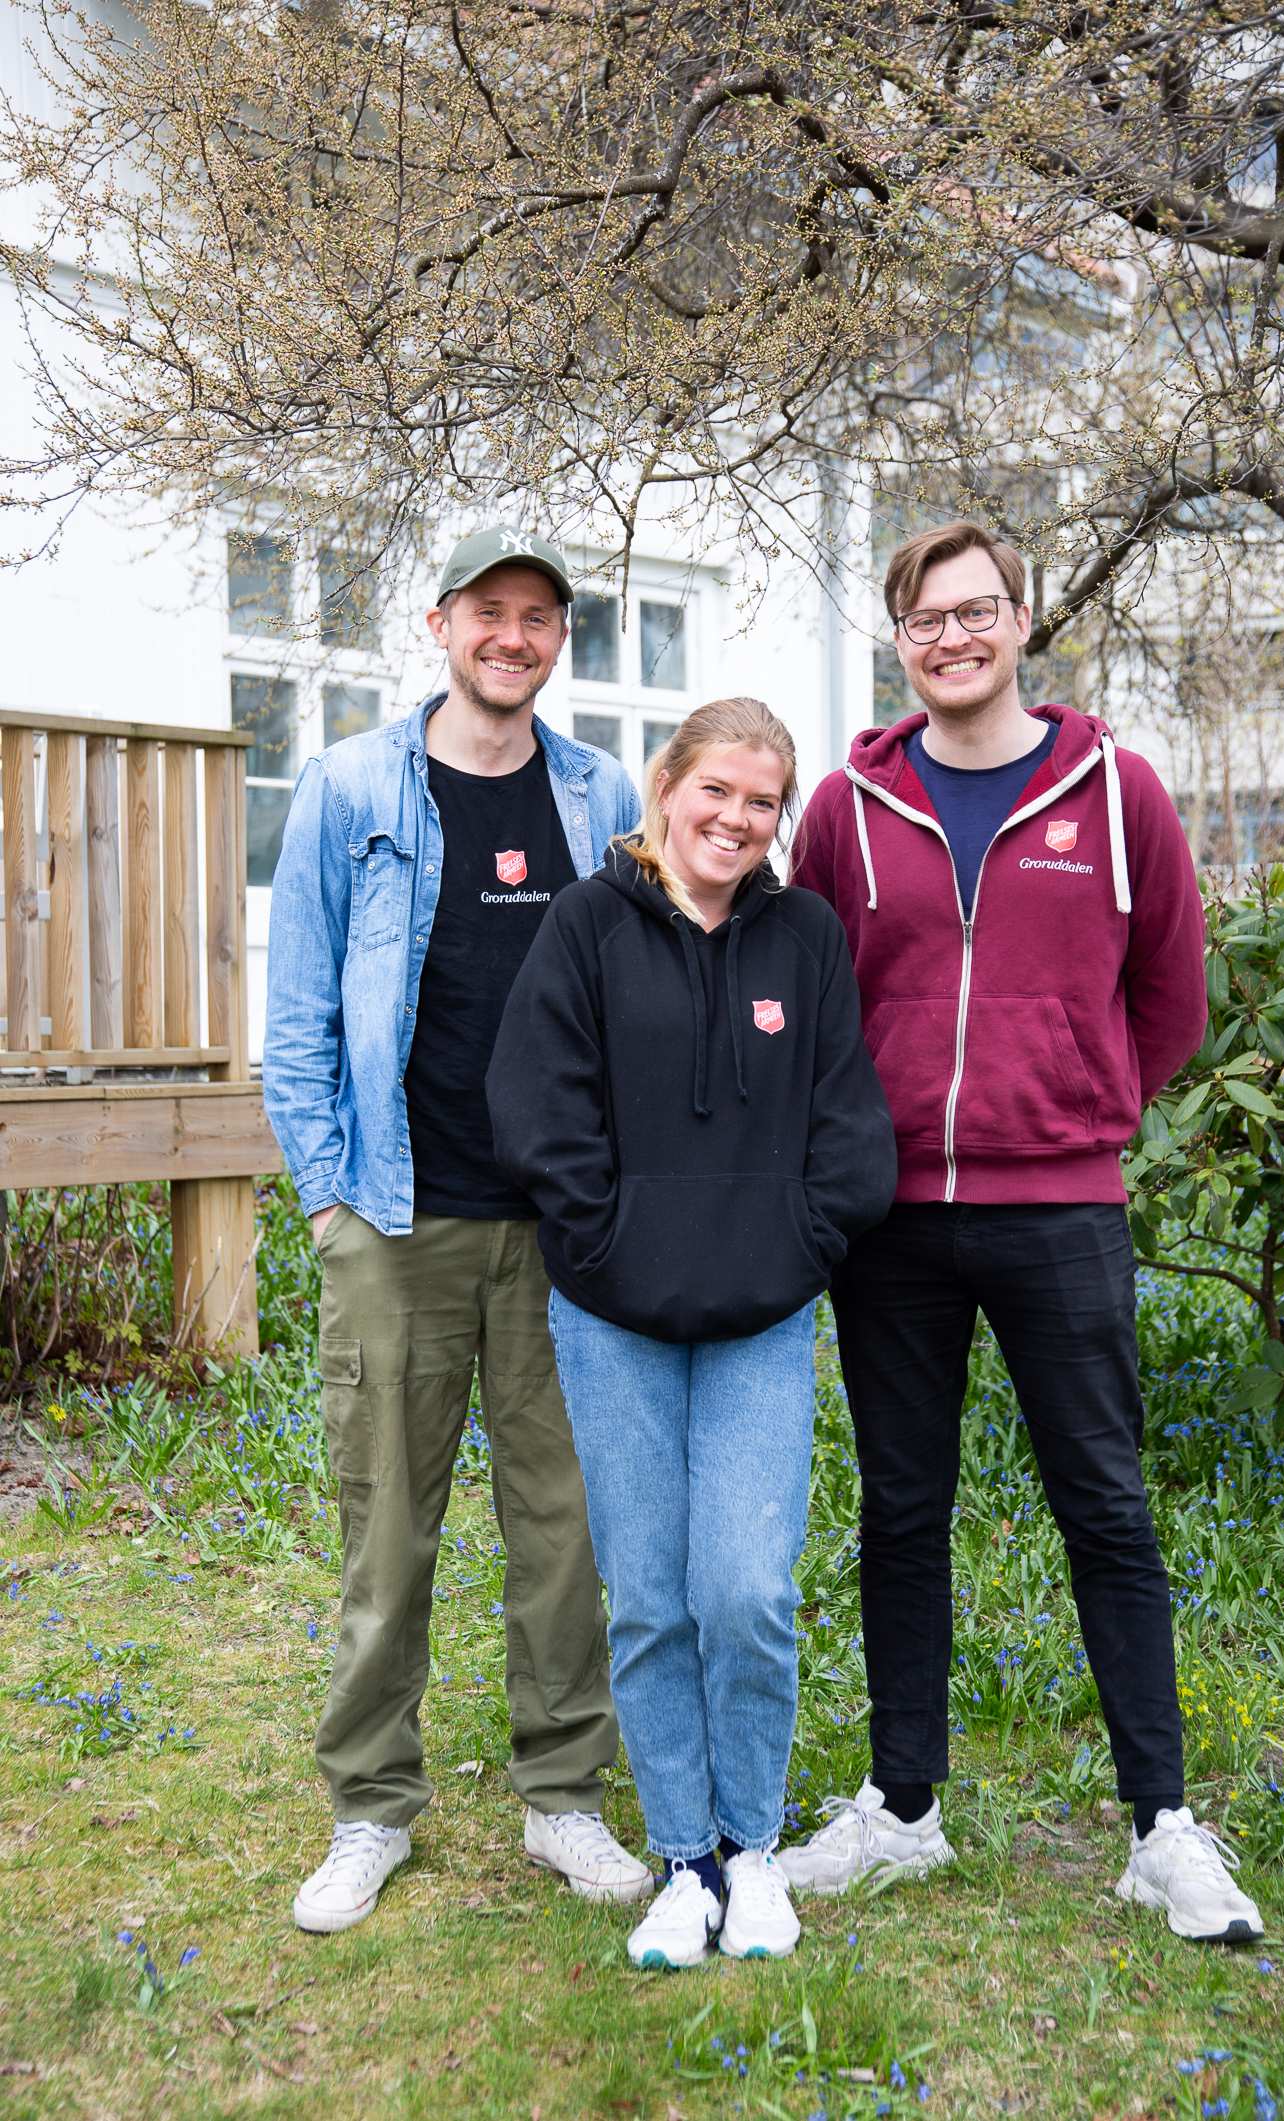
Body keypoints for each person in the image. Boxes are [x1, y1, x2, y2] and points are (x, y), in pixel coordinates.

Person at [783, 519, 1264, 1945]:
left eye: (976, 610)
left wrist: (1082, 1101)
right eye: (926, 619)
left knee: (1103, 1510)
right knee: (902, 1512)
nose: (953, 637)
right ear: (898, 639)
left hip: (1059, 1209)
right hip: (892, 1228)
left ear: (1021, 619)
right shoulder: (846, 809)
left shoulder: (1114, 792)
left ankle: (1160, 1829)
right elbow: (815, 995)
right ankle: (902, 1810)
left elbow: (1168, 994)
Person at [263, 526, 654, 1933]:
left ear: (559, 640)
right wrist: (329, 1202)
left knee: (564, 1525)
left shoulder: (601, 791)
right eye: (489, 612)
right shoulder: (352, 784)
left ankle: (564, 1799)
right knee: (389, 1526)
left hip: (559, 1227)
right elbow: (296, 1018)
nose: (514, 636)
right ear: (439, 625)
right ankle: (370, 1806)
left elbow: (633, 1000)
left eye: (539, 617)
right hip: (395, 1211)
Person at [486, 698, 897, 1968]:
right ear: (666, 787)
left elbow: (847, 1122)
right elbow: (535, 1107)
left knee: (748, 1589)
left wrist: (800, 1245)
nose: (735, 818)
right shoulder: (584, 925)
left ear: (782, 819)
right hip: (612, 1319)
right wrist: (605, 1245)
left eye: (762, 801)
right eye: (715, 790)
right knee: (652, 1597)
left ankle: (753, 1849)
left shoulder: (805, 937)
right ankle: (682, 1858)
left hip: (761, 1322)